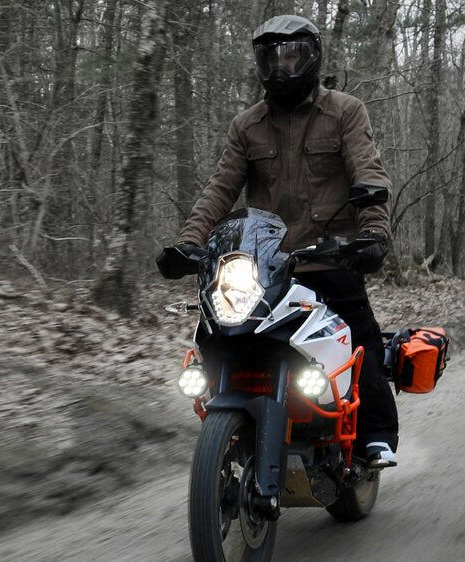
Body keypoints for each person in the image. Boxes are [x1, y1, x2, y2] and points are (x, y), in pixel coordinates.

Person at [157, 14, 398, 467]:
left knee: (358, 340)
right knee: (222, 334)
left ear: (312, 56)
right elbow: (220, 188)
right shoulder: (247, 125)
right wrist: (190, 243)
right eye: (270, 57)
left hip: (329, 261)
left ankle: (376, 436)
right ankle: (232, 423)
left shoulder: (344, 112)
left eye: (292, 55)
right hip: (264, 268)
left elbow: (368, 173)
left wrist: (373, 234)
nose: (281, 66)